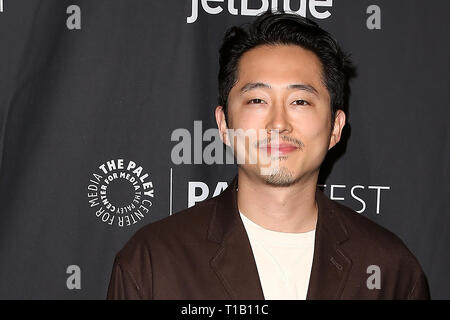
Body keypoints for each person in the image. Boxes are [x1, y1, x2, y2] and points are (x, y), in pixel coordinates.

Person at [106, 10, 430, 300]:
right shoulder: (152, 262)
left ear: (335, 127)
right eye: (257, 101)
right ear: (224, 124)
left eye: (300, 102)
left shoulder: (390, 270)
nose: (278, 123)